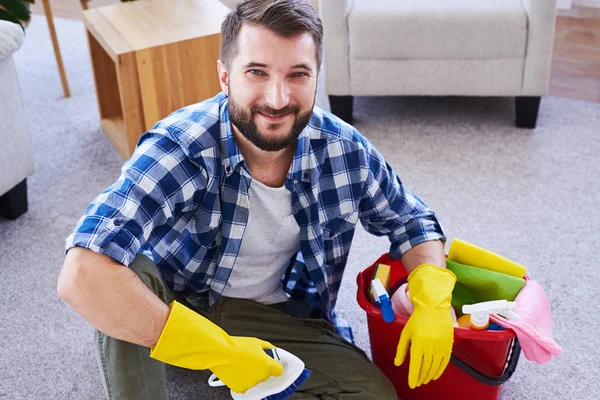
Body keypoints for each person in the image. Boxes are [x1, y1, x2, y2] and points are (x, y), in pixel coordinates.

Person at [57, 1, 457, 399]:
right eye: (257, 72)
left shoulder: (343, 149)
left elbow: (411, 221)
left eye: (298, 74)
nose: (278, 98)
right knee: (122, 269)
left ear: (317, 75)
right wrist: (216, 350)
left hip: (272, 312)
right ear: (225, 76)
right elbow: (81, 273)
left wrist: (433, 297)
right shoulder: (182, 147)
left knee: (373, 395)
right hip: (176, 303)